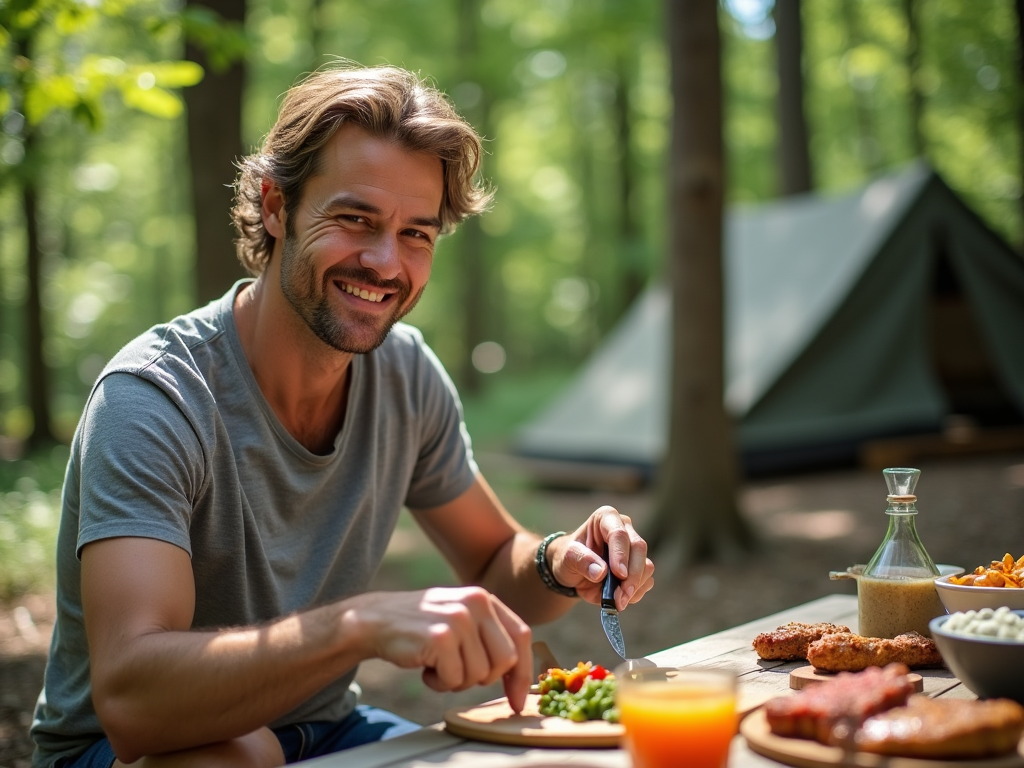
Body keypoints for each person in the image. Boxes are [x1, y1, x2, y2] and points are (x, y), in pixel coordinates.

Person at [30, 64, 655, 768]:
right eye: (355, 219)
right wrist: (355, 624)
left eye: (416, 234)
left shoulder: (405, 374)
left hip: (325, 728)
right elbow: (132, 701)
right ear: (275, 207)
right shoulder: (154, 399)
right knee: (237, 758)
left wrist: (555, 562)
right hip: (124, 751)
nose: (386, 263)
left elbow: (488, 559)